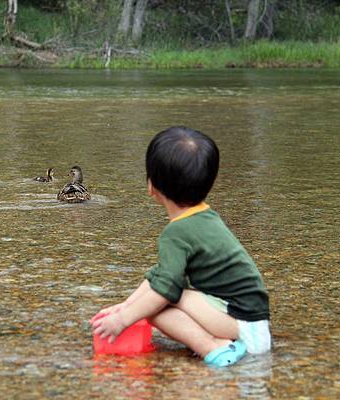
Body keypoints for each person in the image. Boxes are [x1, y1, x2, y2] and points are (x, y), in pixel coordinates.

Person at [90, 126, 271, 367]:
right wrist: (127, 305)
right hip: (253, 324)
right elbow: (159, 275)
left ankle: (214, 348)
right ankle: (221, 340)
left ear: (151, 186)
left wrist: (123, 320)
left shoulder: (176, 234)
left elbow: (163, 290)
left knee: (156, 306)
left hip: (242, 325)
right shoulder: (206, 217)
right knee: (160, 292)